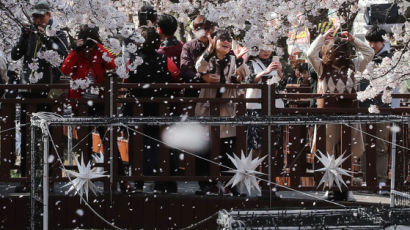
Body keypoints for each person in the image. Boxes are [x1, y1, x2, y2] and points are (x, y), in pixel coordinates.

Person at [307, 29, 374, 201]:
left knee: (348, 152)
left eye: (344, 50)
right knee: (328, 153)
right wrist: (323, 38)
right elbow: (310, 54)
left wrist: (354, 40)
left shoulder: (355, 65)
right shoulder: (322, 67)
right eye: (336, 50)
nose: (340, 53)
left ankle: (346, 187)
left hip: (350, 114)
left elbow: (370, 52)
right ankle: (330, 187)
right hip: (328, 115)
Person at [11, 1, 69, 192]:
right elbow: (14, 55)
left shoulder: (58, 34)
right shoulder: (29, 33)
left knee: (47, 135)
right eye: (35, 16)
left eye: (40, 16)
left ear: (49, 15)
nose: (37, 20)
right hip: (27, 90)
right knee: (28, 134)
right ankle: (27, 178)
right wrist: (23, 37)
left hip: (47, 93)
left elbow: (63, 57)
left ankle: (49, 178)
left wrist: (46, 38)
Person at [195, 29, 248, 195]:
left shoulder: (234, 58)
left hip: (226, 106)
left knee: (227, 147)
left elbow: (244, 74)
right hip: (208, 106)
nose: (226, 42)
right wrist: (209, 52)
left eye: (228, 40)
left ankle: (229, 184)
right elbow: (199, 67)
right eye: (222, 39)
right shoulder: (208, 56)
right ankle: (206, 184)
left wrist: (238, 76)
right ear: (214, 41)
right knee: (206, 146)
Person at [123, 26, 175, 193]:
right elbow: (175, 75)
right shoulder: (164, 59)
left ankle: (138, 180)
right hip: (159, 108)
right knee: (158, 144)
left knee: (137, 143)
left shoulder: (132, 61)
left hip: (137, 108)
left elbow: (125, 81)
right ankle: (159, 181)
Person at [360, 25, 393, 194]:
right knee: (365, 145)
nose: (372, 45)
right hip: (365, 106)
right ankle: (367, 179)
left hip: (383, 107)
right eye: (370, 42)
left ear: (382, 41)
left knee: (381, 145)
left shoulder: (391, 58)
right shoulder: (364, 58)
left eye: (375, 42)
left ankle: (380, 180)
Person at [245, 48, 285, 160]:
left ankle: (271, 173)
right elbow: (249, 80)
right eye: (262, 49)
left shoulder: (276, 62)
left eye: (268, 48)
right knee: (256, 143)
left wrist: (280, 72)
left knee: (274, 142)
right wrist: (265, 72)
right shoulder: (250, 62)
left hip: (275, 105)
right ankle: (252, 172)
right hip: (256, 106)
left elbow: (282, 86)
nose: (266, 51)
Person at [180, 15, 215, 95]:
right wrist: (202, 77)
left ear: (212, 29)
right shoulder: (188, 46)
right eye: (199, 29)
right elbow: (185, 71)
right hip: (195, 92)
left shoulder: (217, 44)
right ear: (194, 30)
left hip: (215, 92)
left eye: (206, 28)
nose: (203, 32)